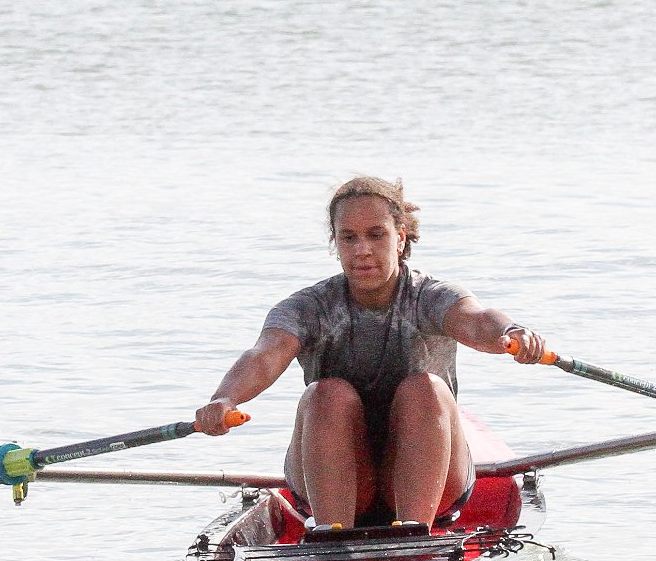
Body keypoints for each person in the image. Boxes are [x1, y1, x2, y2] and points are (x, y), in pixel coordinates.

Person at [193, 177, 548, 529]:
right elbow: (265, 354)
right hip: (337, 482)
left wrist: (509, 333)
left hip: (432, 479)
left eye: (376, 235)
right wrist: (225, 398)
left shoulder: (430, 295)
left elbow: (476, 321)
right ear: (336, 243)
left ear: (400, 238)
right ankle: (331, 535)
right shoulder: (307, 307)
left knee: (425, 389)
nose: (362, 249)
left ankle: (413, 530)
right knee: (327, 393)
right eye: (349, 237)